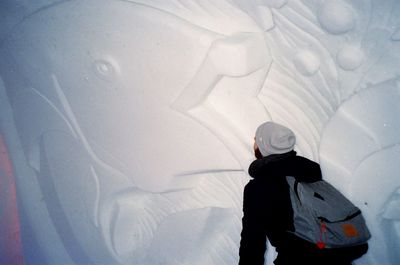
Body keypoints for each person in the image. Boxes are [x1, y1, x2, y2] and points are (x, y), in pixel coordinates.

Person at [238, 121, 368, 265]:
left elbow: (252, 241)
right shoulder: (309, 172)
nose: (254, 143)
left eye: (256, 140)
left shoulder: (259, 187)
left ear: (265, 146)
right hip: (337, 256)